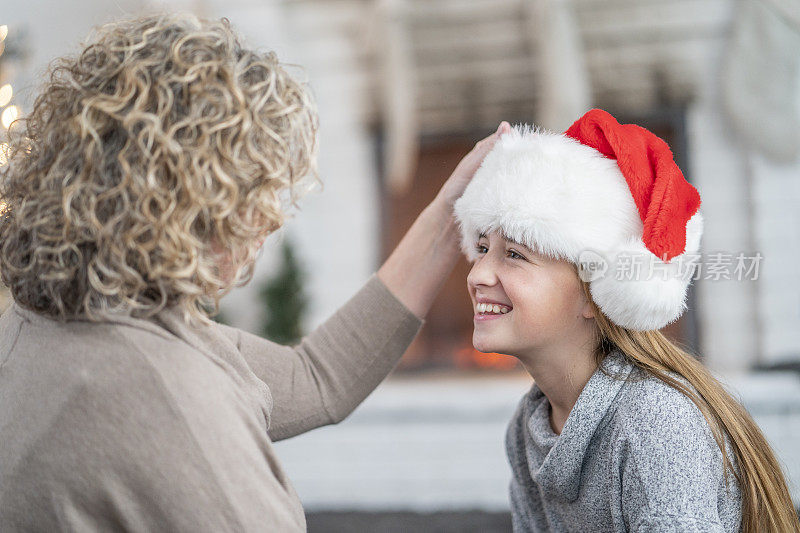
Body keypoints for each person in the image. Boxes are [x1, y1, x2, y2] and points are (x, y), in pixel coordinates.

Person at [0, 12, 511, 531]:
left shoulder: (47, 318)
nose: (270, 217)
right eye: (249, 189)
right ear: (177, 203)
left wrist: (451, 216)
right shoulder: (162, 395)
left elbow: (316, 378)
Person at [453, 109, 800, 533]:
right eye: (483, 247)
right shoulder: (530, 425)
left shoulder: (654, 424)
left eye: (515, 254)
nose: (477, 275)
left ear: (594, 292)